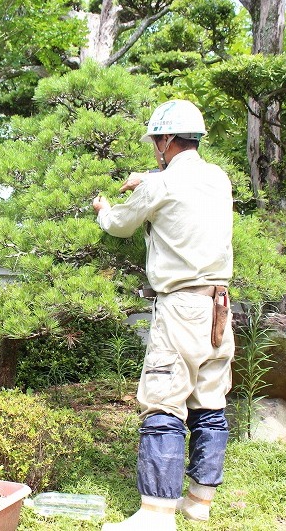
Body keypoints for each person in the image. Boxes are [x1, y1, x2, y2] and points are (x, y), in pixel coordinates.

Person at [92, 99, 234, 531]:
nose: (155, 146)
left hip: (181, 306)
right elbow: (177, 184)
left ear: (168, 140)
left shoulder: (160, 185)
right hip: (220, 305)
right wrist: (150, 177)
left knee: (164, 401)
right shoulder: (219, 178)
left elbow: (122, 224)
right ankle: (199, 501)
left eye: (157, 139)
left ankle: (155, 515)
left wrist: (103, 210)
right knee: (210, 400)